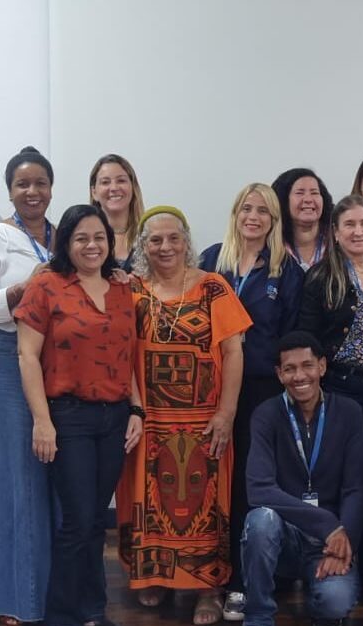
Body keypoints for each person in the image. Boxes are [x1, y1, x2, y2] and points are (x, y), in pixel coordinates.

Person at [117, 205, 251, 624]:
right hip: (150, 420)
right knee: (149, 504)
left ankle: (207, 591)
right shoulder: (132, 290)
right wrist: (134, 408)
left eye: (173, 238)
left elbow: (233, 352)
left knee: (207, 508)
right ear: (142, 246)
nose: (165, 246)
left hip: (204, 420)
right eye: (155, 239)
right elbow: (121, 354)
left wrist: (227, 413)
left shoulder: (213, 287)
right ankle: (154, 577)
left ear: (186, 241)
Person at [15, 204, 145, 626]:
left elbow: (128, 356)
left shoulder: (124, 288)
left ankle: (92, 611)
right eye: (81, 238)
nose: (92, 246)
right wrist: (42, 420)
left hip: (114, 418)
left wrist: (137, 409)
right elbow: (27, 356)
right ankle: (61, 615)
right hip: (67, 416)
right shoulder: (46, 286)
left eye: (99, 238)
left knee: (92, 524)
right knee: (78, 519)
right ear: (66, 243)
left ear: (110, 243)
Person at [197, 183, 306, 620]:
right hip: (210, 390)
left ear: (274, 220)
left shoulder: (285, 270)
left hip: (261, 391)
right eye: (247, 208)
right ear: (236, 213)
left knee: (248, 481)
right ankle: (206, 574)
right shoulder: (210, 261)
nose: (254, 216)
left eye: (263, 210)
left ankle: (243, 581)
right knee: (209, 480)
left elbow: (293, 335)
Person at [0, 146, 58, 625]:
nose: (32, 192)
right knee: (13, 481)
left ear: (51, 188)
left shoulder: (66, 237)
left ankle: (50, 596)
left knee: (54, 484)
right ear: (10, 191)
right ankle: (10, 602)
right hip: (10, 358)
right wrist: (17, 293)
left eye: (40, 183)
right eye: (23, 184)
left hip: (62, 363)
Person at [297, 195, 363, 596]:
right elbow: (308, 336)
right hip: (341, 386)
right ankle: (331, 558)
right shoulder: (322, 278)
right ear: (336, 234)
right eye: (350, 226)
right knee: (340, 475)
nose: (359, 232)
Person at [242, 331, 363, 626]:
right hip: (286, 533)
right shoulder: (265, 415)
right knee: (260, 521)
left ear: (322, 366)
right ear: (279, 374)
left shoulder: (349, 413)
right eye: (289, 369)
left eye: (307, 365)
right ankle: (258, 615)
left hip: (330, 541)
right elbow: (259, 489)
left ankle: (320, 597)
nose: (300, 376)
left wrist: (343, 539)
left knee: (334, 604)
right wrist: (329, 526)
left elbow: (357, 487)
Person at [89, 153, 146, 267]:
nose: (114, 188)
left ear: (133, 188)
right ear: (94, 192)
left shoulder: (148, 235)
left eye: (121, 181)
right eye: (105, 182)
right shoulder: (83, 239)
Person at [272, 168, 334, 271]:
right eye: (300, 193)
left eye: (314, 193)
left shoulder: (336, 240)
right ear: (283, 200)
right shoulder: (272, 243)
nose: (308, 199)